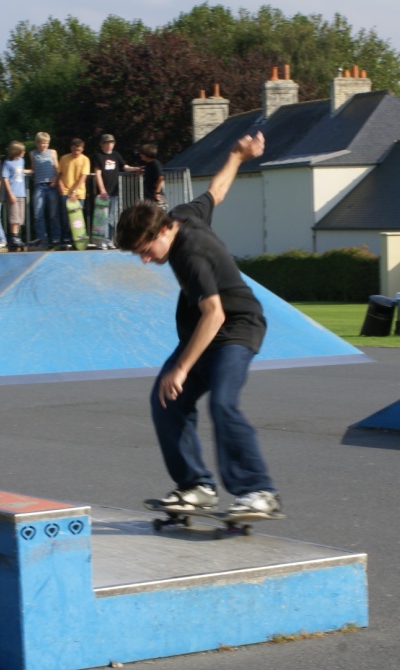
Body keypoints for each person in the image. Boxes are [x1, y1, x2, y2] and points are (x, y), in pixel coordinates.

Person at [115, 130, 281, 517]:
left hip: (236, 327)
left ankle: (259, 491)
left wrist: (181, 368)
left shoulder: (189, 253)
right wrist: (237, 154)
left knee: (222, 403)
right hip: (204, 331)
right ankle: (196, 486)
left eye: (145, 250)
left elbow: (215, 314)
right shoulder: (181, 216)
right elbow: (216, 193)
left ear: (162, 232)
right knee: (167, 400)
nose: (145, 260)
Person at [90, 134, 132, 247]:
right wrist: (102, 190)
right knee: (101, 218)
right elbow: (98, 174)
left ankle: (110, 241)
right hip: (103, 193)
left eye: (111, 143)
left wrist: (136, 169)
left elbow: (126, 167)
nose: (109, 145)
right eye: (107, 143)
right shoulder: (99, 156)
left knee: (112, 218)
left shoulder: (116, 155)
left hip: (114, 192)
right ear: (102, 145)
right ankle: (101, 241)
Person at [56, 138, 91, 249]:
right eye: (75, 150)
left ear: (82, 149)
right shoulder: (64, 158)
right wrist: (60, 184)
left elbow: (83, 177)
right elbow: (59, 174)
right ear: (71, 148)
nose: (76, 152)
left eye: (79, 150)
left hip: (79, 193)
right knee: (65, 216)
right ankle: (66, 238)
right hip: (65, 192)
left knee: (77, 218)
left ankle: (78, 239)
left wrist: (74, 191)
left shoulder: (85, 160)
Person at [29, 133, 60, 248]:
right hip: (39, 185)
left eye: (47, 143)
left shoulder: (53, 152)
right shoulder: (33, 153)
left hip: (51, 185)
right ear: (37, 143)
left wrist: (55, 180)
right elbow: (33, 169)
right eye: (42, 143)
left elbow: (57, 168)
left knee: (53, 214)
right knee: (38, 213)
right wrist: (19, 171)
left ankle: (56, 238)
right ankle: (42, 238)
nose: (45, 145)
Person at [2, 141, 28, 250]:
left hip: (21, 193)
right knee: (14, 216)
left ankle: (17, 236)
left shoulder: (21, 161)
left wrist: (32, 171)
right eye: (22, 151)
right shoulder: (7, 163)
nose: (24, 152)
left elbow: (20, 172)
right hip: (13, 193)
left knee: (20, 217)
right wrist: (10, 194)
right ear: (16, 151)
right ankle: (13, 237)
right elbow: (5, 178)